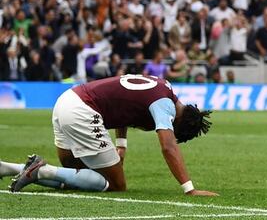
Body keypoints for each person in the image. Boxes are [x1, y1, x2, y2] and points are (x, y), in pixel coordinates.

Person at [2, 75, 215, 196]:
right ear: (179, 122)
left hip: (66, 101)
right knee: (116, 185)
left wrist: (121, 145)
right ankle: (41, 170)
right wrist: (190, 189)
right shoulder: (165, 107)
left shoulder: (163, 85)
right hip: (83, 111)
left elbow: (125, 104)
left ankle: (7, 168)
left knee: (75, 174)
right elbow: (168, 147)